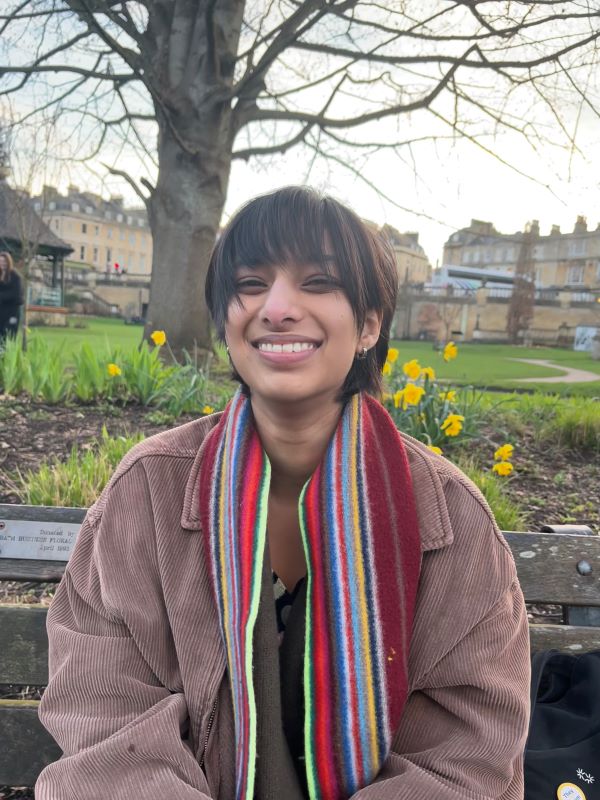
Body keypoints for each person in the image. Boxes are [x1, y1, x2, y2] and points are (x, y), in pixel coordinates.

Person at [36, 186, 530, 800]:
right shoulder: (150, 492)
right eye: (251, 283)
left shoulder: (450, 517)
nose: (277, 308)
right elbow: (107, 724)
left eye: (318, 282)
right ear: (225, 321)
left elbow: (464, 759)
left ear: (369, 324)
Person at [0, 251, 23, 341]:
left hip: (12, 312)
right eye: (0, 261)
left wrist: (1, 296)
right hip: (1, 312)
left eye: (4, 261)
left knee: (9, 337)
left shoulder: (15, 276)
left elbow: (17, 295)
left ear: (8, 262)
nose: (2, 263)